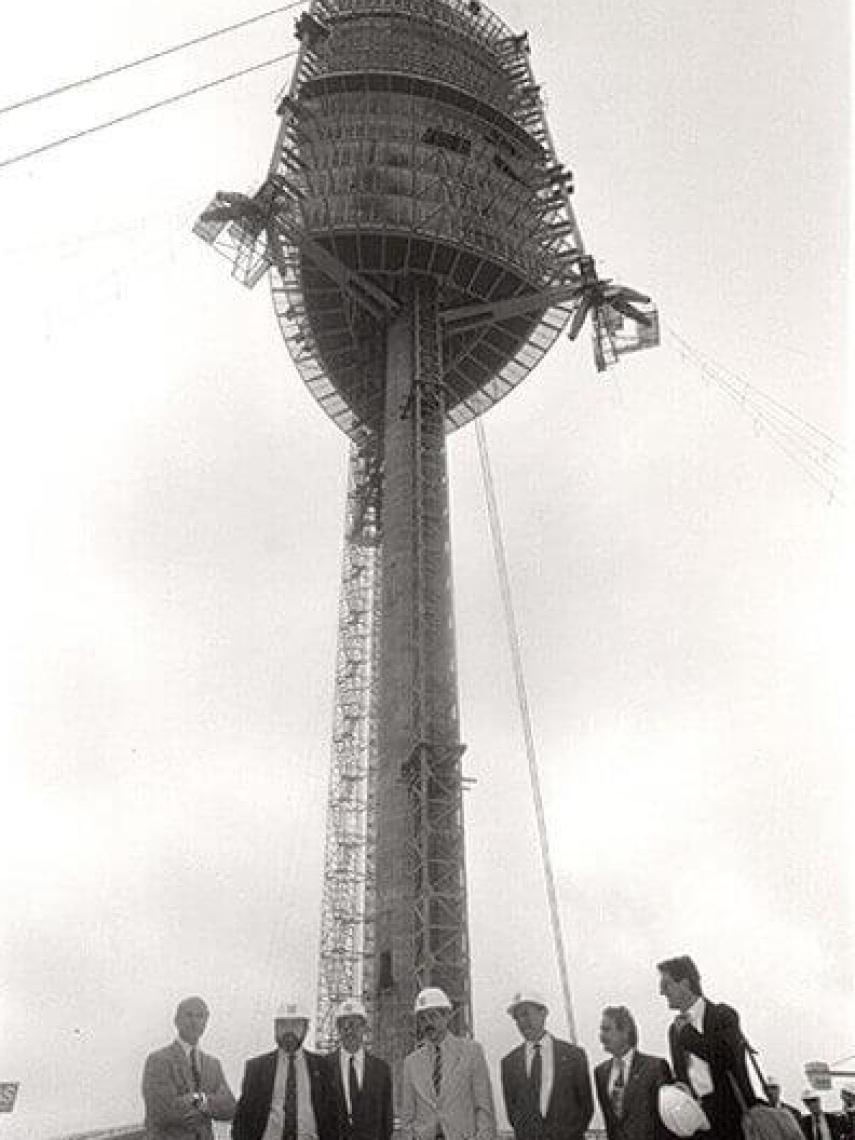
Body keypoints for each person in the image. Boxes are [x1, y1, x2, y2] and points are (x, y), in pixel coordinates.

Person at [657, 956, 756, 1140]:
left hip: (732, 1119)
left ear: (685, 984)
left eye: (666, 985)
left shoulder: (723, 1015)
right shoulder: (674, 1030)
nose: (661, 992)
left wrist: (687, 1035)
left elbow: (726, 1057)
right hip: (697, 1121)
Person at [399, 986, 496, 1140]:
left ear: (447, 1016)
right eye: (422, 1019)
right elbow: (407, 1115)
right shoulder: (411, 1063)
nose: (428, 1023)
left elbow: (484, 1107)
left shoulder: (471, 1052)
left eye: (433, 1016)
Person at [232, 999, 332, 1140]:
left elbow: (332, 1117)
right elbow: (242, 1118)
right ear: (275, 1028)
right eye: (283, 1024)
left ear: (306, 1028)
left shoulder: (322, 1067)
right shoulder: (257, 1068)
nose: (289, 1030)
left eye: (295, 1024)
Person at [500, 990, 593, 1140]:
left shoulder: (574, 1057)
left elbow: (586, 1107)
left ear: (543, 1013)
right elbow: (513, 1114)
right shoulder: (509, 1063)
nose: (522, 1021)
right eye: (517, 1018)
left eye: (526, 1014)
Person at [142, 995, 236, 1140]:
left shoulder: (213, 1065)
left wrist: (199, 1099)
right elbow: (162, 1109)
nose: (194, 1021)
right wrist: (206, 1108)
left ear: (206, 1023)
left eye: (200, 1016)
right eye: (189, 1015)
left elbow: (230, 1107)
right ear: (176, 1021)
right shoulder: (158, 1060)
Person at [594, 1005, 672, 1140]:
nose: (601, 1036)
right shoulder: (601, 1073)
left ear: (625, 1032)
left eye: (606, 1029)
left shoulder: (655, 1068)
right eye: (601, 1030)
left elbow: (668, 1120)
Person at [323, 998, 393, 1140]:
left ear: (364, 1028)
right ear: (338, 1030)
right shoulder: (323, 1067)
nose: (350, 1031)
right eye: (344, 1026)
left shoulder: (381, 1070)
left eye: (355, 1025)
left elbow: (386, 1120)